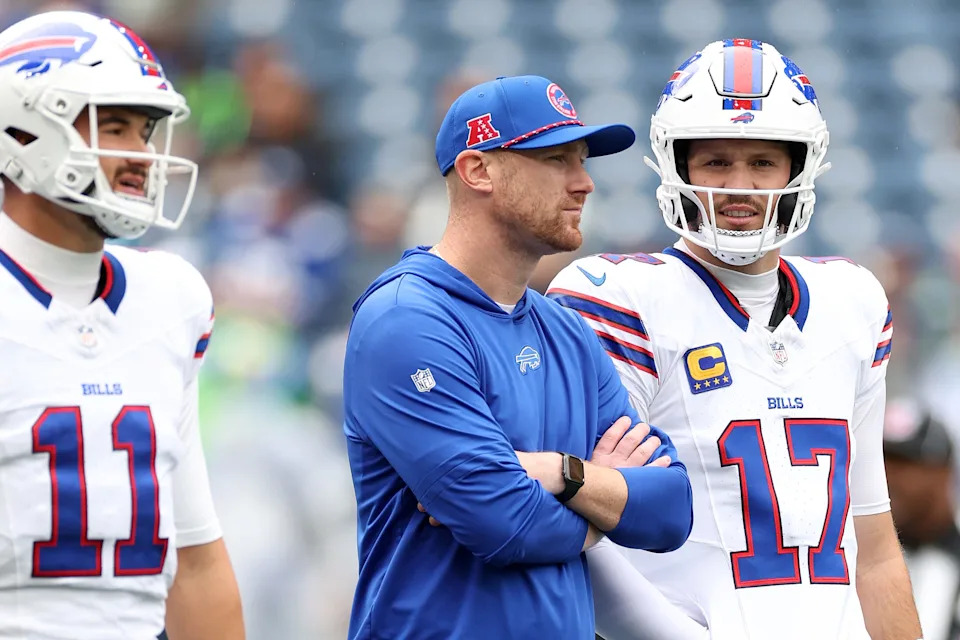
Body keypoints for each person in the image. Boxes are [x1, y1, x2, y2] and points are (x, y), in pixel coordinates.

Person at [548, 39, 922, 639]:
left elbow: (871, 544)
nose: (739, 186)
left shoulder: (853, 300)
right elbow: (586, 539)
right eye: (717, 162)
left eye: (762, 163)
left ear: (799, 168)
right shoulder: (620, 297)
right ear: (680, 167)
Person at [343, 75, 694, 640]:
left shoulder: (565, 329)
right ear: (478, 170)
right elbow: (504, 523)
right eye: (556, 159)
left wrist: (558, 473)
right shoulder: (405, 318)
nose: (583, 184)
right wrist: (601, 497)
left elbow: (670, 510)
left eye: (582, 161)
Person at [0, 11, 243, 640]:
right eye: (113, 127)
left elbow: (195, 560)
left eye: (145, 131)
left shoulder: (171, 299)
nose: (140, 156)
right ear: (22, 131)